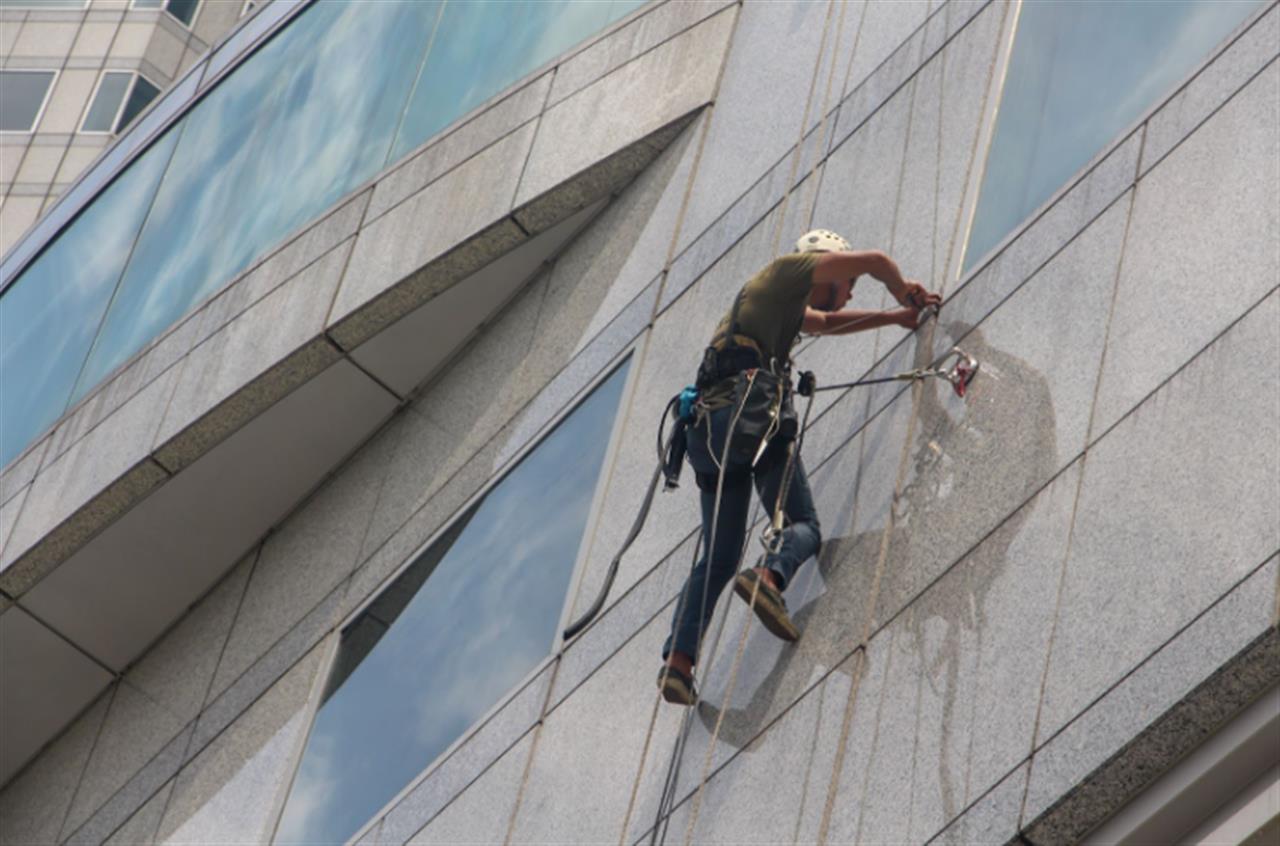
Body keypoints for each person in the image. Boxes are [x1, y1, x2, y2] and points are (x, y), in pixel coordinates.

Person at [657, 229, 942, 706]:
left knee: (720, 556)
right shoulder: (785, 273)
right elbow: (874, 259)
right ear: (826, 265)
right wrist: (902, 289)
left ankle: (678, 663)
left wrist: (894, 318)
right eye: (846, 282)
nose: (848, 291)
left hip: (708, 433)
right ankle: (770, 577)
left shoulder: (774, 308)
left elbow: (826, 324)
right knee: (804, 523)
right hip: (749, 418)